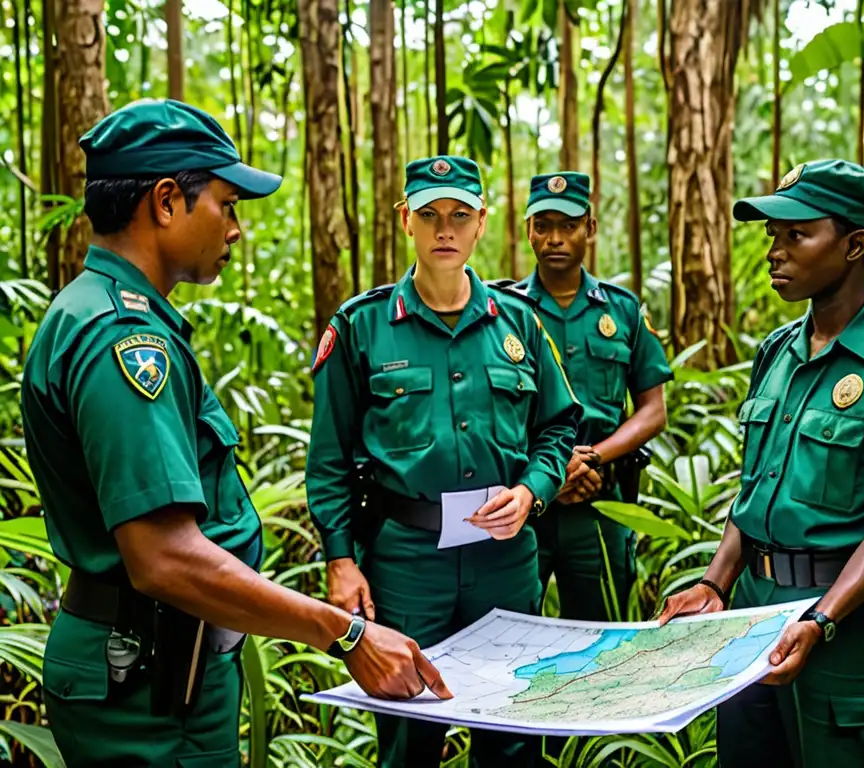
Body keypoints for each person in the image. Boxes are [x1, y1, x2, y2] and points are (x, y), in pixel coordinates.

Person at [19, 99, 450, 768]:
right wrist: (344, 632)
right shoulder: (121, 340)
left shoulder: (100, 312)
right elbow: (163, 556)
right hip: (148, 691)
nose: (237, 228)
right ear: (166, 202)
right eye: (226, 203)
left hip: (155, 669)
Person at [657, 160, 864, 767]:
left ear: (853, 245)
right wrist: (715, 583)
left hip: (843, 628)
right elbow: (756, 491)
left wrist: (821, 620)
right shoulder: (777, 354)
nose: (775, 251)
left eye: (796, 235)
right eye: (773, 235)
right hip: (750, 620)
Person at [305, 155, 581, 768]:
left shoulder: (521, 325)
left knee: (512, 728)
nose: (444, 230)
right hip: (406, 559)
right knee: (408, 734)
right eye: (429, 215)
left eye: (459, 214)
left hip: (504, 558)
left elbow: (558, 427)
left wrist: (533, 492)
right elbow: (328, 459)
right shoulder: (362, 326)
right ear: (406, 220)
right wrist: (340, 559)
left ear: (482, 222)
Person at [517, 172, 673, 622]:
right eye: (542, 225)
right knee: (510, 638)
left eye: (568, 225)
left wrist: (592, 460)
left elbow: (653, 409)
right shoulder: (505, 310)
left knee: (599, 641)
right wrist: (551, 472)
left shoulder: (621, 310)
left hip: (601, 505)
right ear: (528, 230)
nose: (555, 238)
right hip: (526, 503)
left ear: (591, 227)